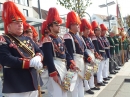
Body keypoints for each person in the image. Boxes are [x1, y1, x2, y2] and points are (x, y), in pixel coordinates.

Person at [0, 1, 43, 97]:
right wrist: (29, 63)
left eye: (21, 23)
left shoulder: (28, 38)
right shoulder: (4, 39)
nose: (20, 25)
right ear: (8, 26)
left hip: (33, 81)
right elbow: (5, 59)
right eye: (16, 23)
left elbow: (39, 51)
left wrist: (38, 57)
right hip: (16, 84)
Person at [41, 7, 77, 97]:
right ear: (50, 27)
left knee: (64, 92)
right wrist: (53, 73)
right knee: (56, 93)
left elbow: (66, 53)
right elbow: (49, 59)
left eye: (59, 25)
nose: (59, 27)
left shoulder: (60, 39)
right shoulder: (47, 40)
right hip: (55, 68)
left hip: (63, 67)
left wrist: (71, 63)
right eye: (56, 25)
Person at [63, 11, 92, 97]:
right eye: (76, 24)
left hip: (81, 61)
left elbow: (83, 50)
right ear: (71, 25)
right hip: (75, 61)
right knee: (74, 84)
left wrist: (88, 57)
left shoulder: (79, 36)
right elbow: (69, 52)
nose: (79, 26)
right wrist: (71, 64)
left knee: (80, 82)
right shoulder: (67, 36)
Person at [80, 19, 100, 94]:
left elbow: (93, 48)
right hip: (86, 57)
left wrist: (96, 54)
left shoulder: (89, 38)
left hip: (92, 56)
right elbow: (83, 49)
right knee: (87, 72)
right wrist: (88, 57)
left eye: (89, 29)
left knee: (91, 72)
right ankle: (87, 87)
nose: (88, 31)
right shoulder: (82, 38)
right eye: (86, 29)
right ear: (83, 29)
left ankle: (92, 85)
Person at [91, 21, 108, 86]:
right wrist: (98, 55)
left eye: (100, 30)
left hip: (102, 54)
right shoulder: (94, 38)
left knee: (102, 67)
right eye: (98, 30)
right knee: (98, 69)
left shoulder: (99, 37)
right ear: (95, 31)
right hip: (98, 54)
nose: (100, 31)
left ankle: (101, 79)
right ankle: (99, 81)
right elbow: (96, 48)